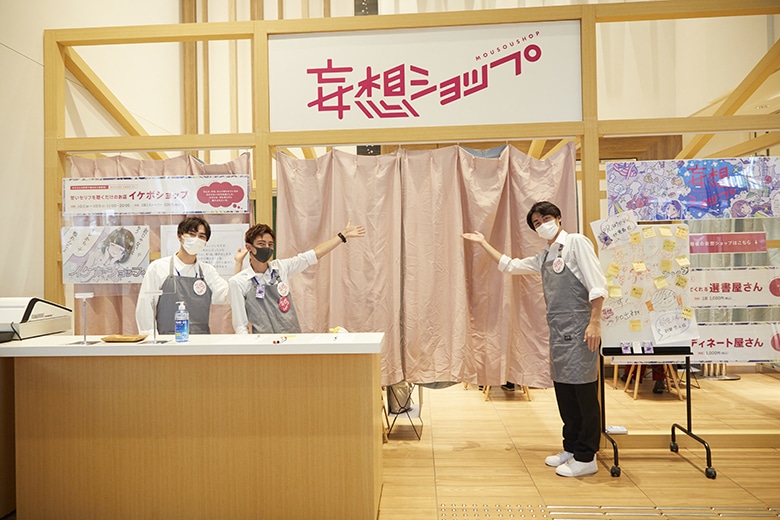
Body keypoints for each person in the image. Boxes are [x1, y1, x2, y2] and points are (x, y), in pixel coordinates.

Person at [462, 201, 608, 478]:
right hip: (559, 332)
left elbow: (598, 286)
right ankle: (571, 447)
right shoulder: (546, 255)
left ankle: (587, 456)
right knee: (565, 392)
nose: (542, 225)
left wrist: (595, 323)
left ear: (559, 218)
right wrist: (483, 243)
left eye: (546, 219)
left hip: (581, 330)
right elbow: (510, 266)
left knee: (584, 394)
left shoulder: (576, 243)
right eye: (537, 223)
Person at [229, 220, 366, 334]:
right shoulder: (238, 282)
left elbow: (312, 255)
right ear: (249, 247)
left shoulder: (281, 267)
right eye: (261, 244)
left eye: (270, 245)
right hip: (262, 345)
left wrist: (342, 236)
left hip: (292, 338)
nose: (266, 247)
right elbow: (240, 326)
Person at [136, 216, 242, 336]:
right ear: (179, 236)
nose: (196, 239)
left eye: (201, 236)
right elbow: (145, 307)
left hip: (200, 340)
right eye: (192, 234)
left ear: (205, 243)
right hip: (167, 340)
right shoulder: (158, 268)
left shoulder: (207, 271)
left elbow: (228, 296)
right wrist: (151, 338)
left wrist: (238, 263)